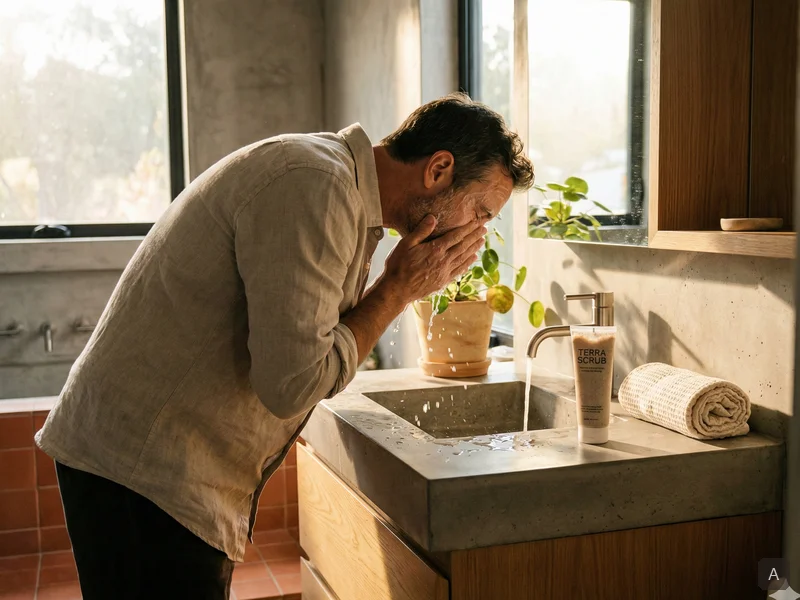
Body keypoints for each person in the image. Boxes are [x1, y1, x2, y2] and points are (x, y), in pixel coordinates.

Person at [35, 93, 535, 599]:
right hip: (143, 475)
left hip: (148, 468)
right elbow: (292, 383)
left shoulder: (331, 182)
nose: (479, 233)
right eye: (482, 211)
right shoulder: (317, 186)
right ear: (439, 169)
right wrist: (396, 291)